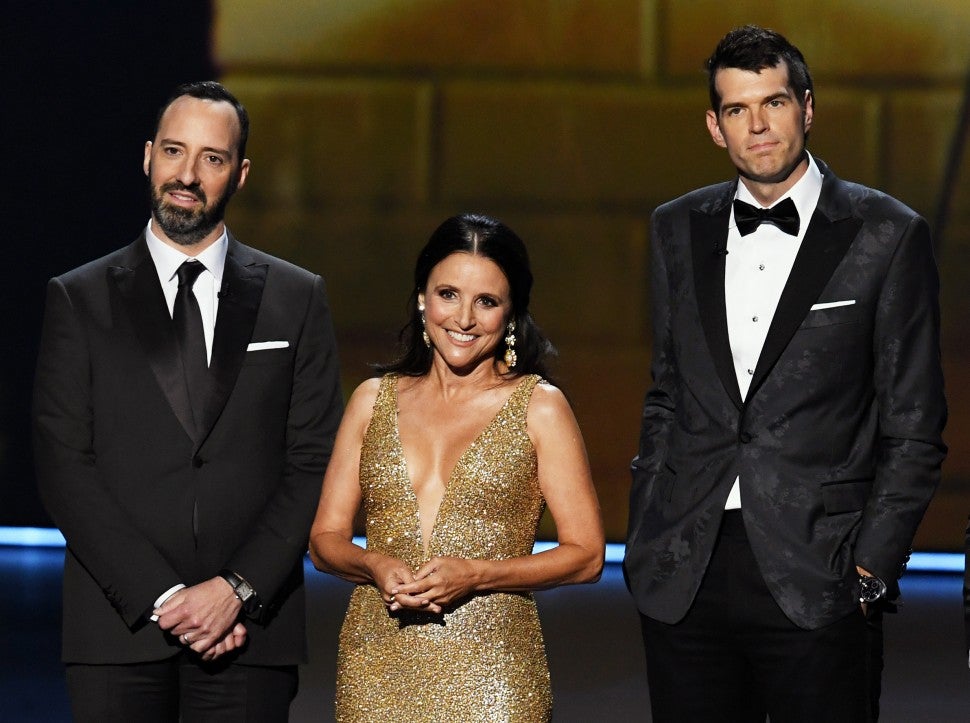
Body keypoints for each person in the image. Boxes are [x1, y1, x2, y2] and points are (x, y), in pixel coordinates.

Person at [624, 25, 947, 722]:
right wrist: (647, 532)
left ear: (807, 107)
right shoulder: (676, 227)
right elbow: (667, 392)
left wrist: (870, 568)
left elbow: (915, 425)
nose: (758, 125)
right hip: (685, 567)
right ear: (715, 127)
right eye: (737, 109)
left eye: (773, 102)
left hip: (820, 571)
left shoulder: (886, 234)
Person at [32, 81, 343, 722]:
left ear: (240, 174)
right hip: (117, 628)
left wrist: (236, 590)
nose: (188, 175)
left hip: (251, 630)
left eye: (212, 157)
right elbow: (64, 465)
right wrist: (166, 597)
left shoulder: (296, 296)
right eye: (174, 151)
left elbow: (314, 459)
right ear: (148, 156)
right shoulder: (78, 298)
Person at [308, 213, 604, 721]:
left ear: (511, 314)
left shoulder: (540, 407)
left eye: (486, 301)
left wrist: (477, 575)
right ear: (422, 298)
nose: (464, 319)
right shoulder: (372, 400)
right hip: (375, 666)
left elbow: (587, 555)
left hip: (494, 674)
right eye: (448, 294)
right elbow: (324, 540)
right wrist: (374, 564)